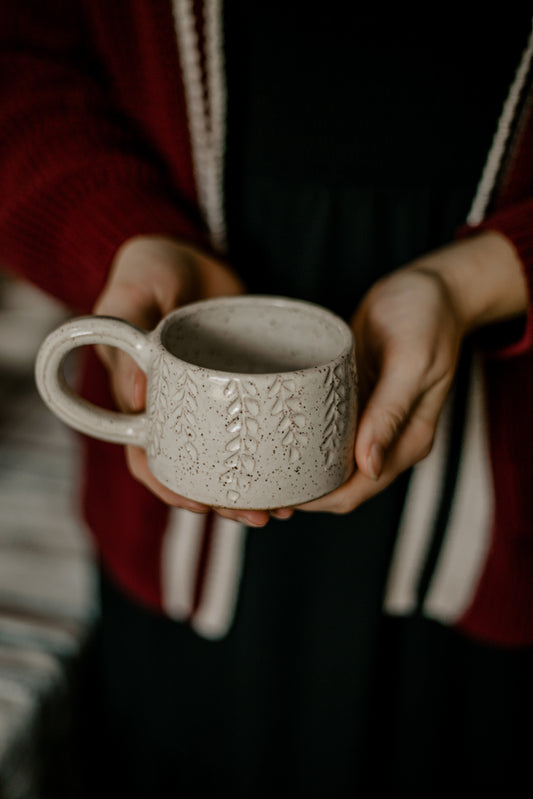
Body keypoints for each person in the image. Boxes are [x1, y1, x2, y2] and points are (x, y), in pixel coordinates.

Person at [1, 2, 533, 795]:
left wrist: (484, 280)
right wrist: (116, 232)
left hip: (502, 506)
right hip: (169, 540)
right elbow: (18, 65)